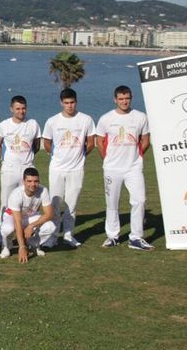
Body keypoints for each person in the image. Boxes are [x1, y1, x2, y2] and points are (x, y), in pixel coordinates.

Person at [96, 86, 153, 251]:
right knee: (112, 203)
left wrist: (138, 157)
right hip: (112, 169)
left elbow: (145, 140)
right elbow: (100, 142)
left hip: (133, 168)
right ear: (115, 99)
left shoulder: (140, 117)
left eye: (127, 98)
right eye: (121, 99)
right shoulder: (106, 119)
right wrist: (107, 158)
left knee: (139, 200)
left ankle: (136, 238)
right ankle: (112, 236)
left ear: (131, 98)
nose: (124, 101)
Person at [42, 88, 95, 248]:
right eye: (66, 103)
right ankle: (52, 237)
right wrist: (59, 155)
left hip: (76, 170)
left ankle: (68, 235)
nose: (69, 106)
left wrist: (80, 156)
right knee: (55, 205)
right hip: (57, 169)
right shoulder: (52, 121)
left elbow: (91, 142)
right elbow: (47, 143)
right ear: (61, 103)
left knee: (72, 205)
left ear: (76, 102)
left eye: (72, 102)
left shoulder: (86, 119)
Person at [0, 96, 41, 242]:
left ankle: (25, 233)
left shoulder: (33, 124)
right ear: (11, 109)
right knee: (6, 202)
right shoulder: (4, 125)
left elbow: (37, 145)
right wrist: (6, 159)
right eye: (18, 108)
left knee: (27, 202)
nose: (21, 111)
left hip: (27, 169)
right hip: (9, 169)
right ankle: (1, 235)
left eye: (23, 108)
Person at [0, 168, 55, 263]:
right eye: (29, 181)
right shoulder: (16, 194)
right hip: (12, 216)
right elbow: (17, 222)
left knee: (50, 226)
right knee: (8, 229)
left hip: (30, 217)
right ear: (23, 181)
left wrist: (31, 226)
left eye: (36, 181)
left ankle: (33, 244)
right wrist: (22, 247)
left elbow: (49, 214)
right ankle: (6, 246)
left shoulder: (43, 190)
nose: (33, 184)